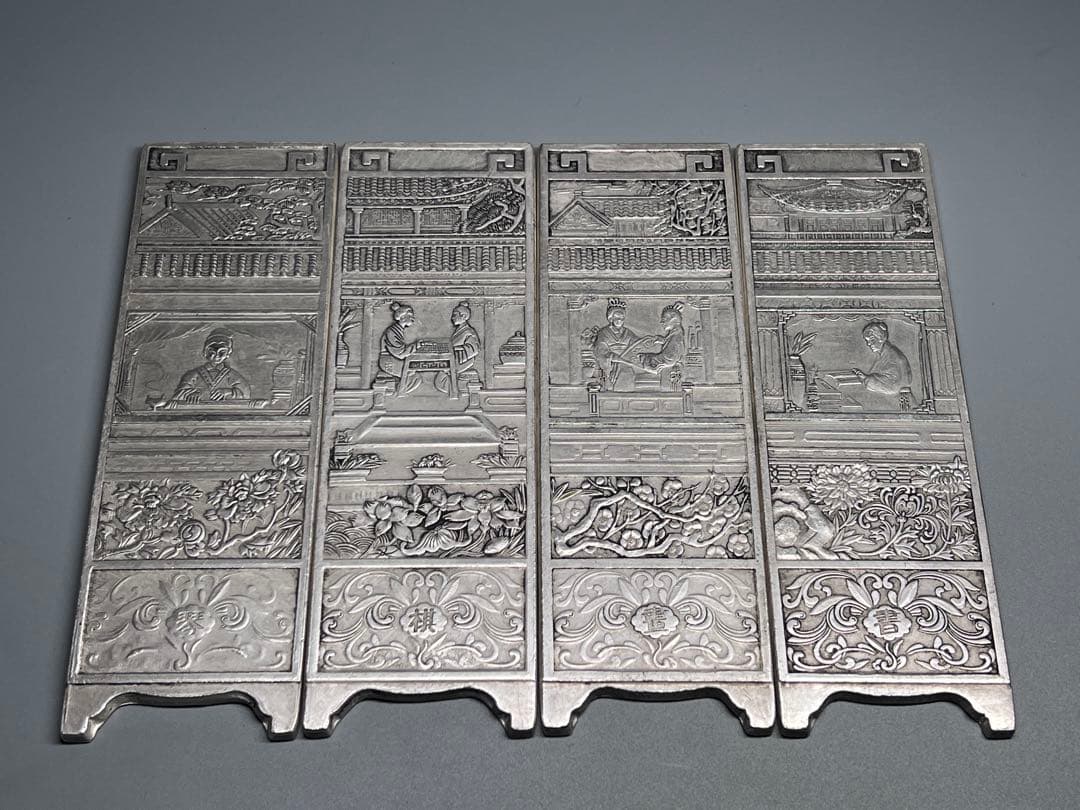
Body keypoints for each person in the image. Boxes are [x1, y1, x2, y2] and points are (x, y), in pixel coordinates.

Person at [169, 330, 251, 404]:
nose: (217, 355)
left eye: (222, 351)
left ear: (228, 354)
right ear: (205, 352)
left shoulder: (233, 375)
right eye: (212, 351)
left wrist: (227, 391)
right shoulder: (193, 374)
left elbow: (246, 395)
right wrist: (191, 394)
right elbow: (177, 396)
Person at [633, 301, 687, 388]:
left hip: (670, 377)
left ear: (673, 319)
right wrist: (663, 341)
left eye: (664, 319)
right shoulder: (675, 334)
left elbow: (668, 359)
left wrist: (643, 357)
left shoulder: (676, 336)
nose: (661, 322)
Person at [852, 320, 912, 396]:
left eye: (872, 340)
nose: (869, 344)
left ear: (880, 338)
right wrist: (865, 377)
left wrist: (868, 379)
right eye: (867, 341)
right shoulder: (885, 354)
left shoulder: (893, 357)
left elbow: (894, 386)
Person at [591, 298, 638, 391]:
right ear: (611, 318)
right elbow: (601, 351)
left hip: (626, 366)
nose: (619, 321)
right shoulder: (604, 333)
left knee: (627, 384)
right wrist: (613, 358)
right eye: (616, 318)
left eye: (621, 318)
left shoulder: (628, 333)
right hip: (610, 366)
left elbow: (637, 346)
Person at [436, 301, 481, 395]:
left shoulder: (468, 332)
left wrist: (456, 349)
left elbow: (475, 349)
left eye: (454, 315)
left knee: (441, 380)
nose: (452, 318)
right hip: (454, 359)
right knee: (440, 378)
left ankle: (455, 393)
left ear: (463, 316)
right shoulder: (460, 330)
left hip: (463, 361)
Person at [374, 301, 420, 395]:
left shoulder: (397, 330)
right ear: (402, 317)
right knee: (414, 377)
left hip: (393, 359)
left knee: (415, 367)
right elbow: (400, 353)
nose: (413, 318)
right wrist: (416, 346)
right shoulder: (392, 332)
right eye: (410, 316)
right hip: (389, 361)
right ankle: (399, 393)